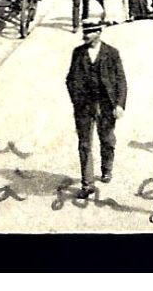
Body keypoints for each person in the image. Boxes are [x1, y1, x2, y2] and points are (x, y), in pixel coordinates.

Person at [65, 20, 126, 198]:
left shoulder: (112, 53)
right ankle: (87, 184)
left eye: (89, 33)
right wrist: (76, 100)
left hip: (106, 104)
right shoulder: (78, 53)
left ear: (99, 32)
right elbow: (70, 79)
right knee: (84, 144)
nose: (85, 36)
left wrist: (119, 104)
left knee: (107, 139)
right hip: (84, 106)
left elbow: (121, 80)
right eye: (85, 33)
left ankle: (106, 169)